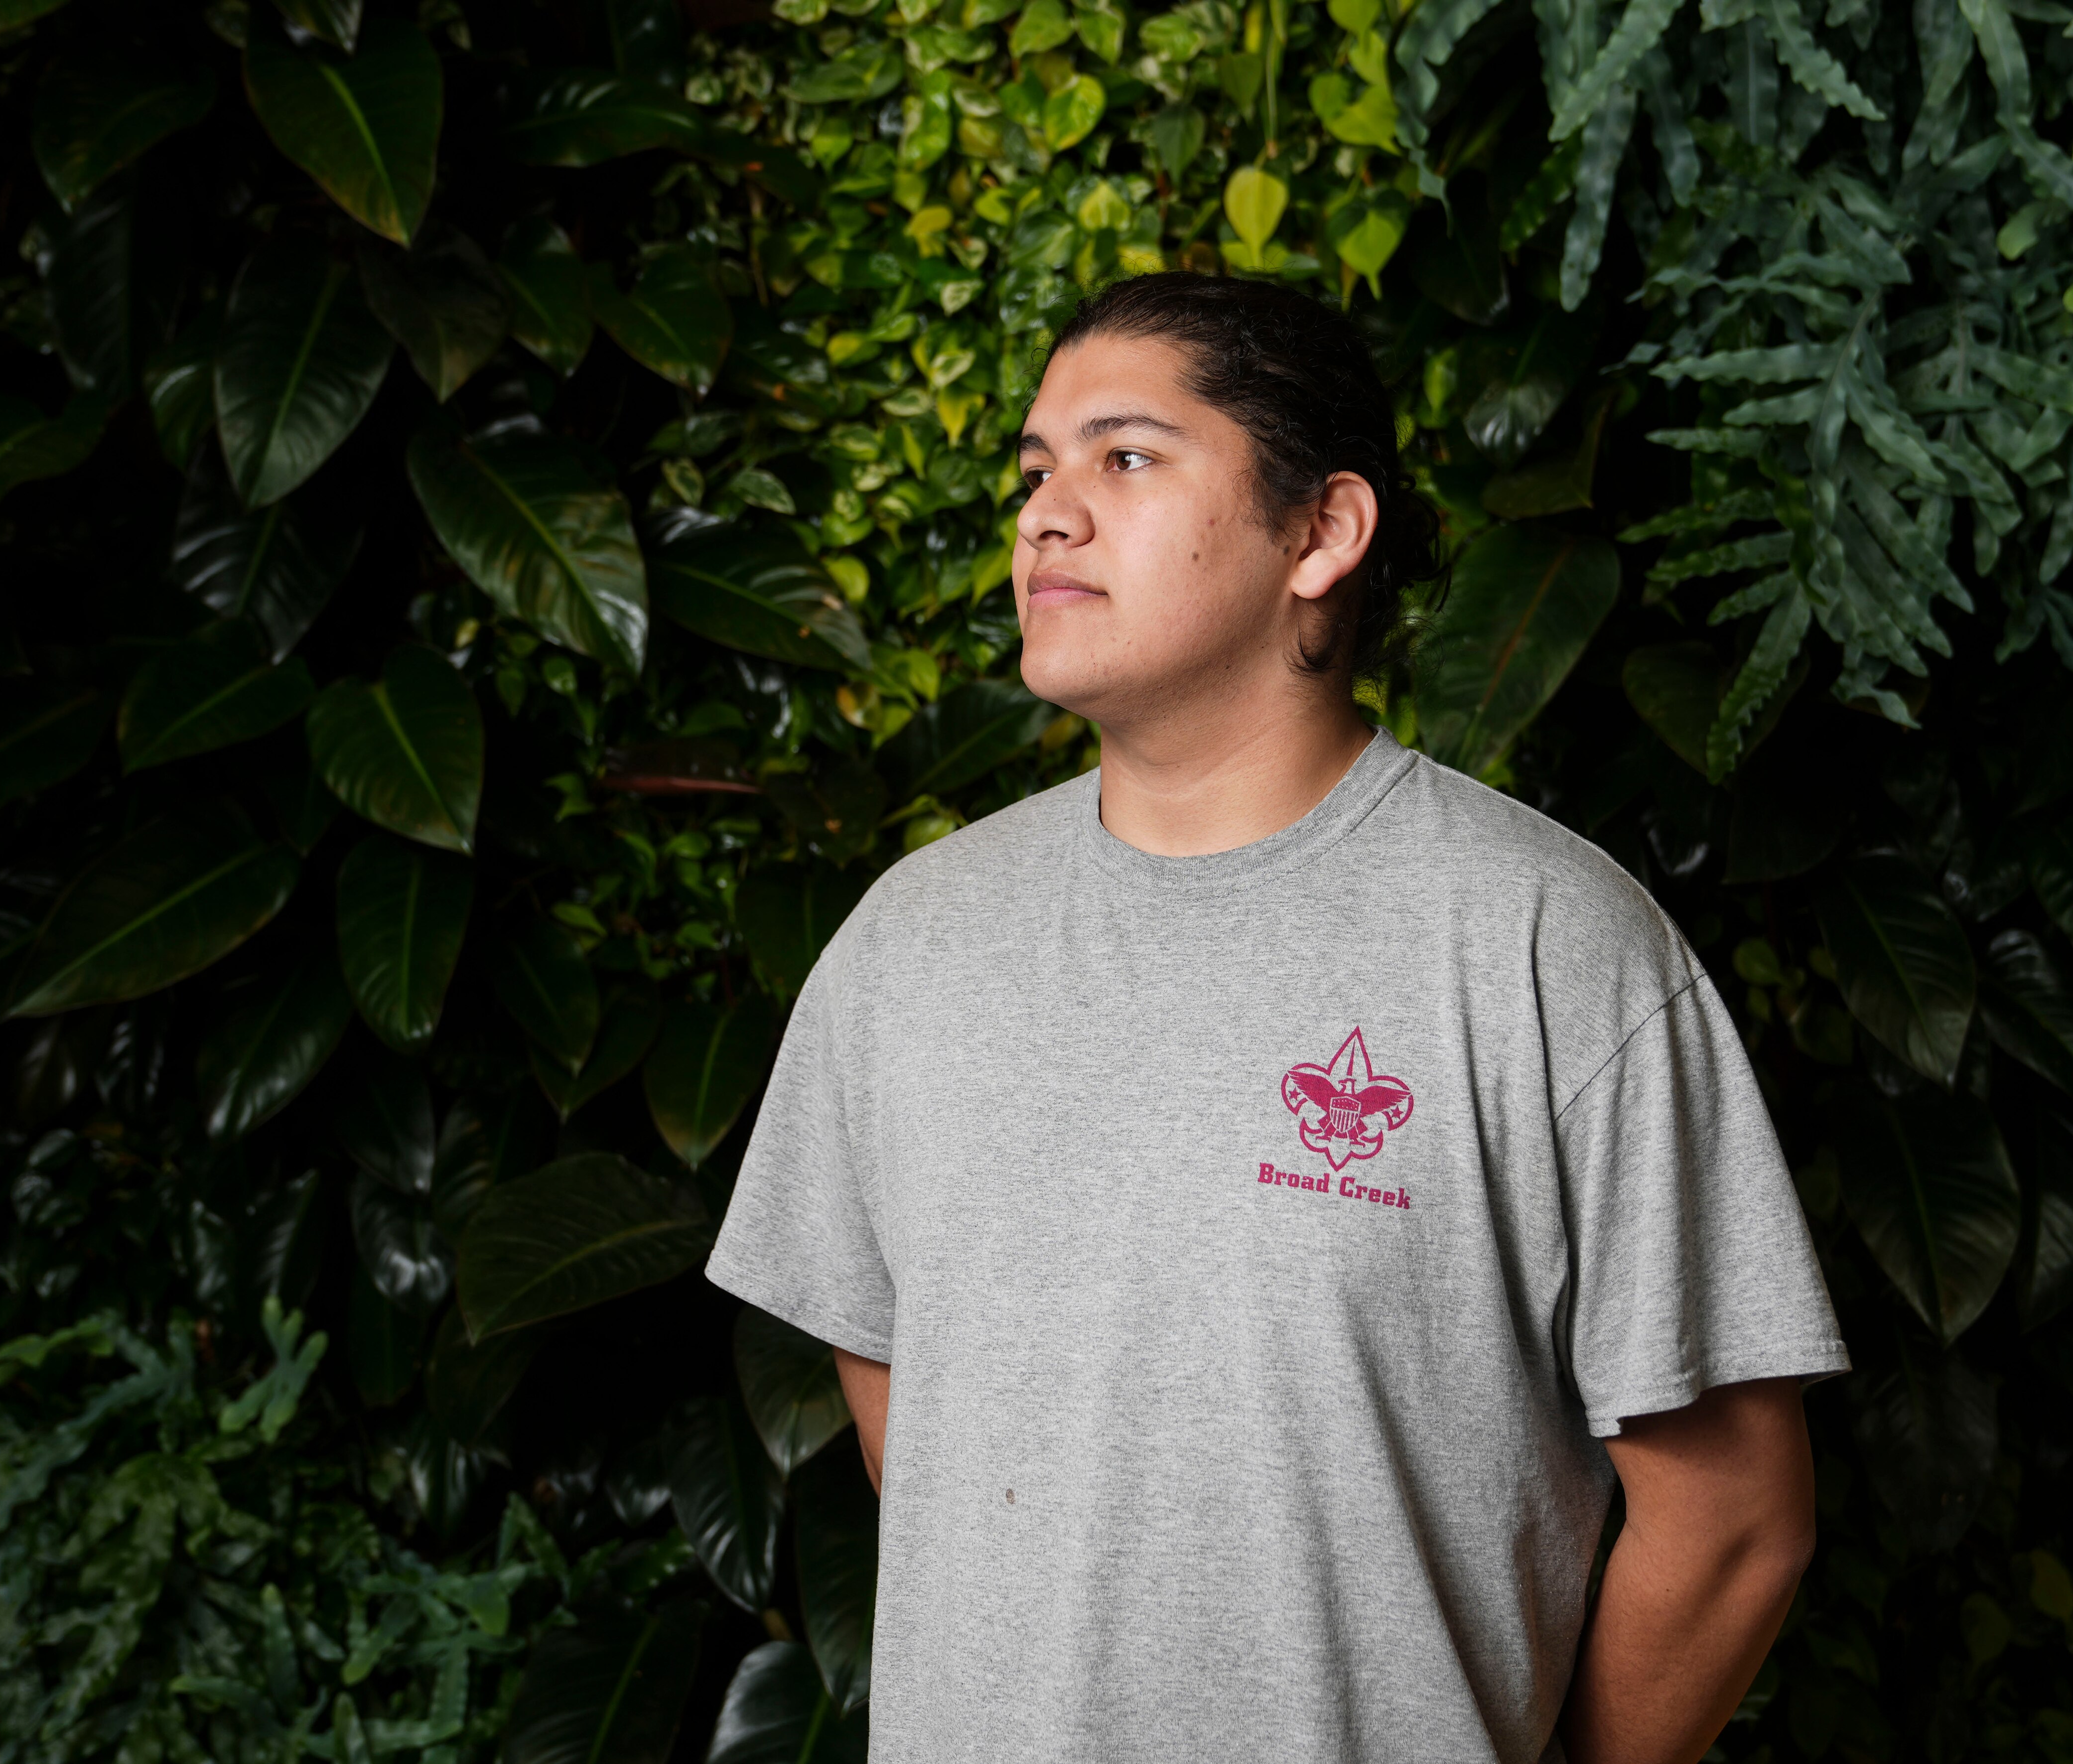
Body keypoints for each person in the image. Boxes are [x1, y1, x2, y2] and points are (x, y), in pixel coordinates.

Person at [707, 271, 1848, 1764]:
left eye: (1125, 458)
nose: (1046, 513)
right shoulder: (907, 950)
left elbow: (1736, 1521)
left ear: (1323, 532)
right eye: (1036, 468)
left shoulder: (1549, 945)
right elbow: (917, 1432)